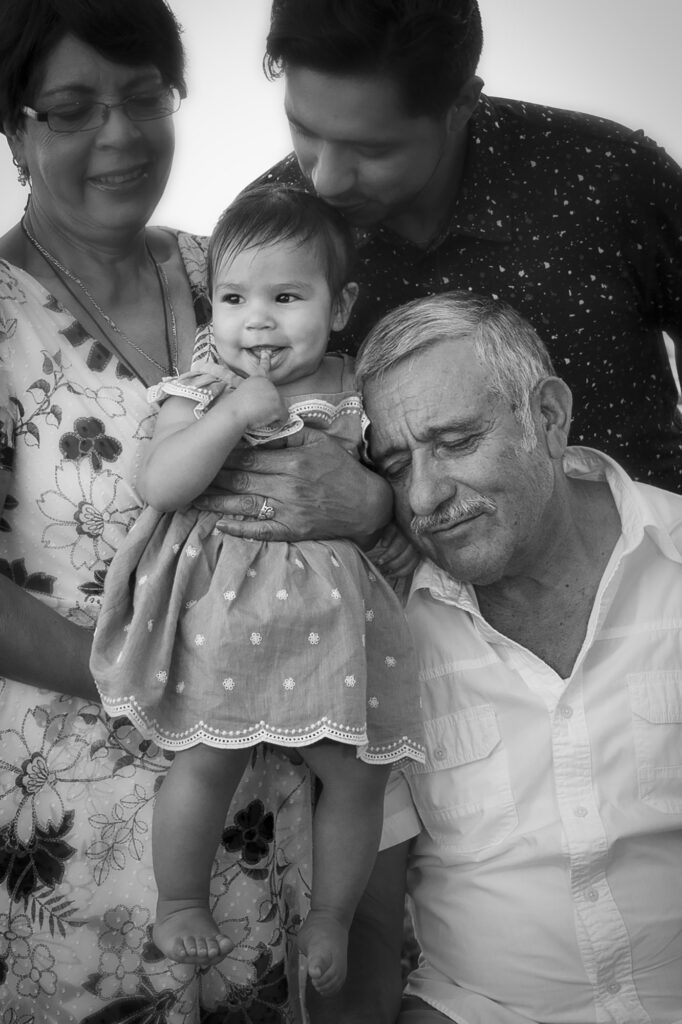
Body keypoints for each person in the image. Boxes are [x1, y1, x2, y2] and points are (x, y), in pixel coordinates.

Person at [0, 3, 391, 1020]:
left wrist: (369, 498)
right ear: (14, 131)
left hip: (272, 787)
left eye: (143, 97)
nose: (121, 134)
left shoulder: (234, 271)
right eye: (75, 108)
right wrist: (171, 670)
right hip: (83, 811)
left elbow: (360, 442)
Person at [90, 183, 424, 995]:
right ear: (212, 309)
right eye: (235, 298)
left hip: (333, 630)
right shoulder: (202, 389)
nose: (259, 321)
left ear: (339, 304)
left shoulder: (361, 390)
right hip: (224, 618)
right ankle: (179, 901)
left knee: (358, 774)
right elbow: (162, 483)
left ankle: (330, 917)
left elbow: (404, 493)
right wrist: (232, 414)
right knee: (205, 760)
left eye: (287, 297)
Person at [319, 290, 682, 1023]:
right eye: (394, 464)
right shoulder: (379, 635)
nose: (424, 495)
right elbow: (371, 923)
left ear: (548, 417)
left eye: (454, 442)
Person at [246, 0, 682, 494]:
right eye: (303, 129)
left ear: (461, 105)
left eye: (373, 149)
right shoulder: (265, 243)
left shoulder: (609, 177)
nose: (325, 180)